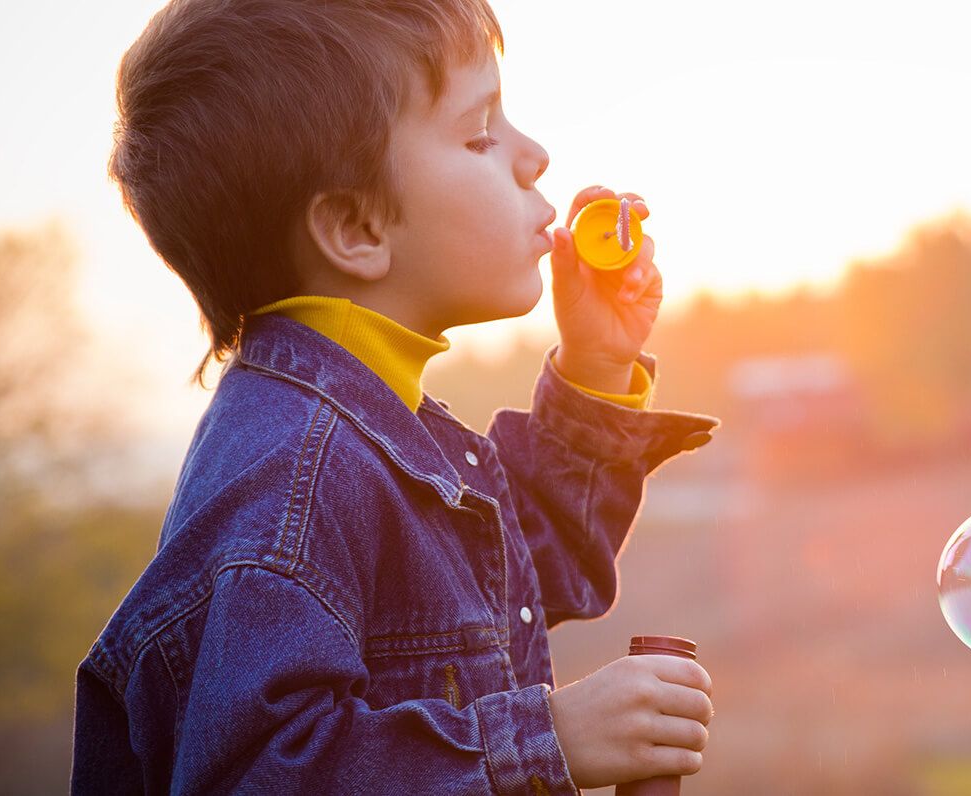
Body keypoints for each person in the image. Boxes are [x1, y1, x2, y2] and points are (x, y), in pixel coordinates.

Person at [72, 1, 717, 792]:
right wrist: (549, 737)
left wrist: (596, 364)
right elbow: (261, 774)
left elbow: (515, 576)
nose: (536, 155)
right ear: (356, 227)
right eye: (481, 133)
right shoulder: (291, 472)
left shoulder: (375, 428)